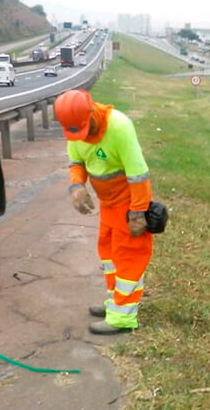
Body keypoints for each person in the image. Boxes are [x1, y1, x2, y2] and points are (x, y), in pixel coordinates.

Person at [55, 89, 153, 335]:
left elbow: (138, 172)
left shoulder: (119, 127)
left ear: (90, 114)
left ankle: (123, 318)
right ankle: (115, 304)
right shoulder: (75, 129)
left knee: (128, 256)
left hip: (128, 204)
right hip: (108, 205)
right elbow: (76, 162)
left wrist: (138, 212)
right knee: (109, 255)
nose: (82, 139)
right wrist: (76, 186)